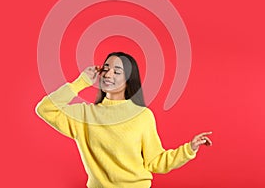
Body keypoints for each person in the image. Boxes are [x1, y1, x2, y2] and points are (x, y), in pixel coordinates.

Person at [35, 51, 212, 188]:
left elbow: (155, 161)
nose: (108, 74)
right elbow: (45, 109)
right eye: (106, 68)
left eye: (117, 71)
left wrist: (190, 148)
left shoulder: (142, 116)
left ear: (128, 80)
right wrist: (80, 82)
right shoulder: (84, 115)